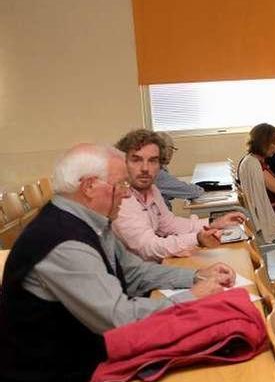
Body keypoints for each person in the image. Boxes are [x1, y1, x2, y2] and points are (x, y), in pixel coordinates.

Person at [0, 144, 235, 382]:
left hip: (87, 357)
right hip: (62, 371)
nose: (126, 193)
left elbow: (133, 272)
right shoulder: (62, 240)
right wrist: (192, 298)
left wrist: (195, 276)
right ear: (89, 186)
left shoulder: (91, 221)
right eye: (121, 184)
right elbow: (119, 319)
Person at [113, 129, 245, 262]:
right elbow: (148, 247)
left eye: (153, 161)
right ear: (122, 163)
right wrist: (198, 238)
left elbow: (170, 224)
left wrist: (213, 223)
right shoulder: (121, 199)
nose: (145, 168)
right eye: (136, 160)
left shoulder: (152, 190)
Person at [154, 131, 204, 208]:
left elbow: (169, 192)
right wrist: (200, 188)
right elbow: (192, 192)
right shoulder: (156, 173)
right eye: (171, 149)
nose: (171, 153)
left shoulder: (160, 168)